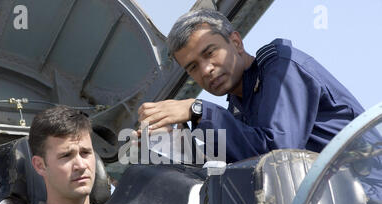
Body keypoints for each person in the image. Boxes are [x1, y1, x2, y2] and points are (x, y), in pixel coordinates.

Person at [137, 9, 366, 163]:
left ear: (235, 42)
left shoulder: (281, 66)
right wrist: (177, 147)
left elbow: (278, 154)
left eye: (210, 53)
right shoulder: (238, 111)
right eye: (193, 67)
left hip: (367, 202)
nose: (206, 70)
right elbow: (240, 168)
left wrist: (197, 110)